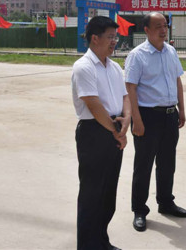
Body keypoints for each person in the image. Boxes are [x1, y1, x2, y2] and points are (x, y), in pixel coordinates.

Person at [125, 12, 186, 232]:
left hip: (170, 115)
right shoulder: (137, 55)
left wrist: (181, 109)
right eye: (158, 26)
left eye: (165, 25)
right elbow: (130, 88)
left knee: (167, 163)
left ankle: (166, 202)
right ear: (147, 30)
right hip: (147, 116)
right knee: (143, 165)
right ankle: (139, 210)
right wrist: (136, 120)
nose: (163, 30)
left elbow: (177, 80)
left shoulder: (171, 51)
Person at [71, 16, 132, 250]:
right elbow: (94, 105)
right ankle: (88, 246)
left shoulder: (114, 67)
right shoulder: (84, 66)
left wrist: (126, 121)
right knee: (91, 194)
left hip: (115, 128)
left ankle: (101, 242)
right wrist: (117, 132)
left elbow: (125, 96)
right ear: (95, 38)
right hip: (94, 133)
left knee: (108, 194)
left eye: (116, 37)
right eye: (110, 37)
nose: (114, 41)